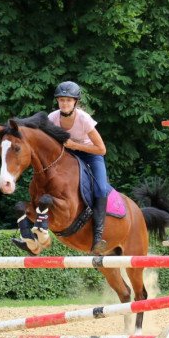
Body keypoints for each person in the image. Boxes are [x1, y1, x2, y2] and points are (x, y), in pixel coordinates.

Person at [48, 81, 111, 254]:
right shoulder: (52, 118)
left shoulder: (84, 119)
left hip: (91, 154)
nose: (64, 103)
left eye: (68, 100)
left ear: (75, 102)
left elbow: (102, 149)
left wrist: (74, 145)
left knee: (100, 187)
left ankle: (98, 237)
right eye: (61, 100)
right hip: (67, 155)